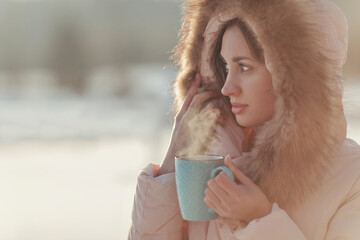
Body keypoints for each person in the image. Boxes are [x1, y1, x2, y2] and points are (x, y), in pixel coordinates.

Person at [128, 0, 360, 239]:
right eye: (226, 68)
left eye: (245, 67)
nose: (227, 88)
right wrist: (173, 160)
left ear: (293, 77)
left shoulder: (352, 177)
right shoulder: (212, 169)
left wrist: (259, 219)